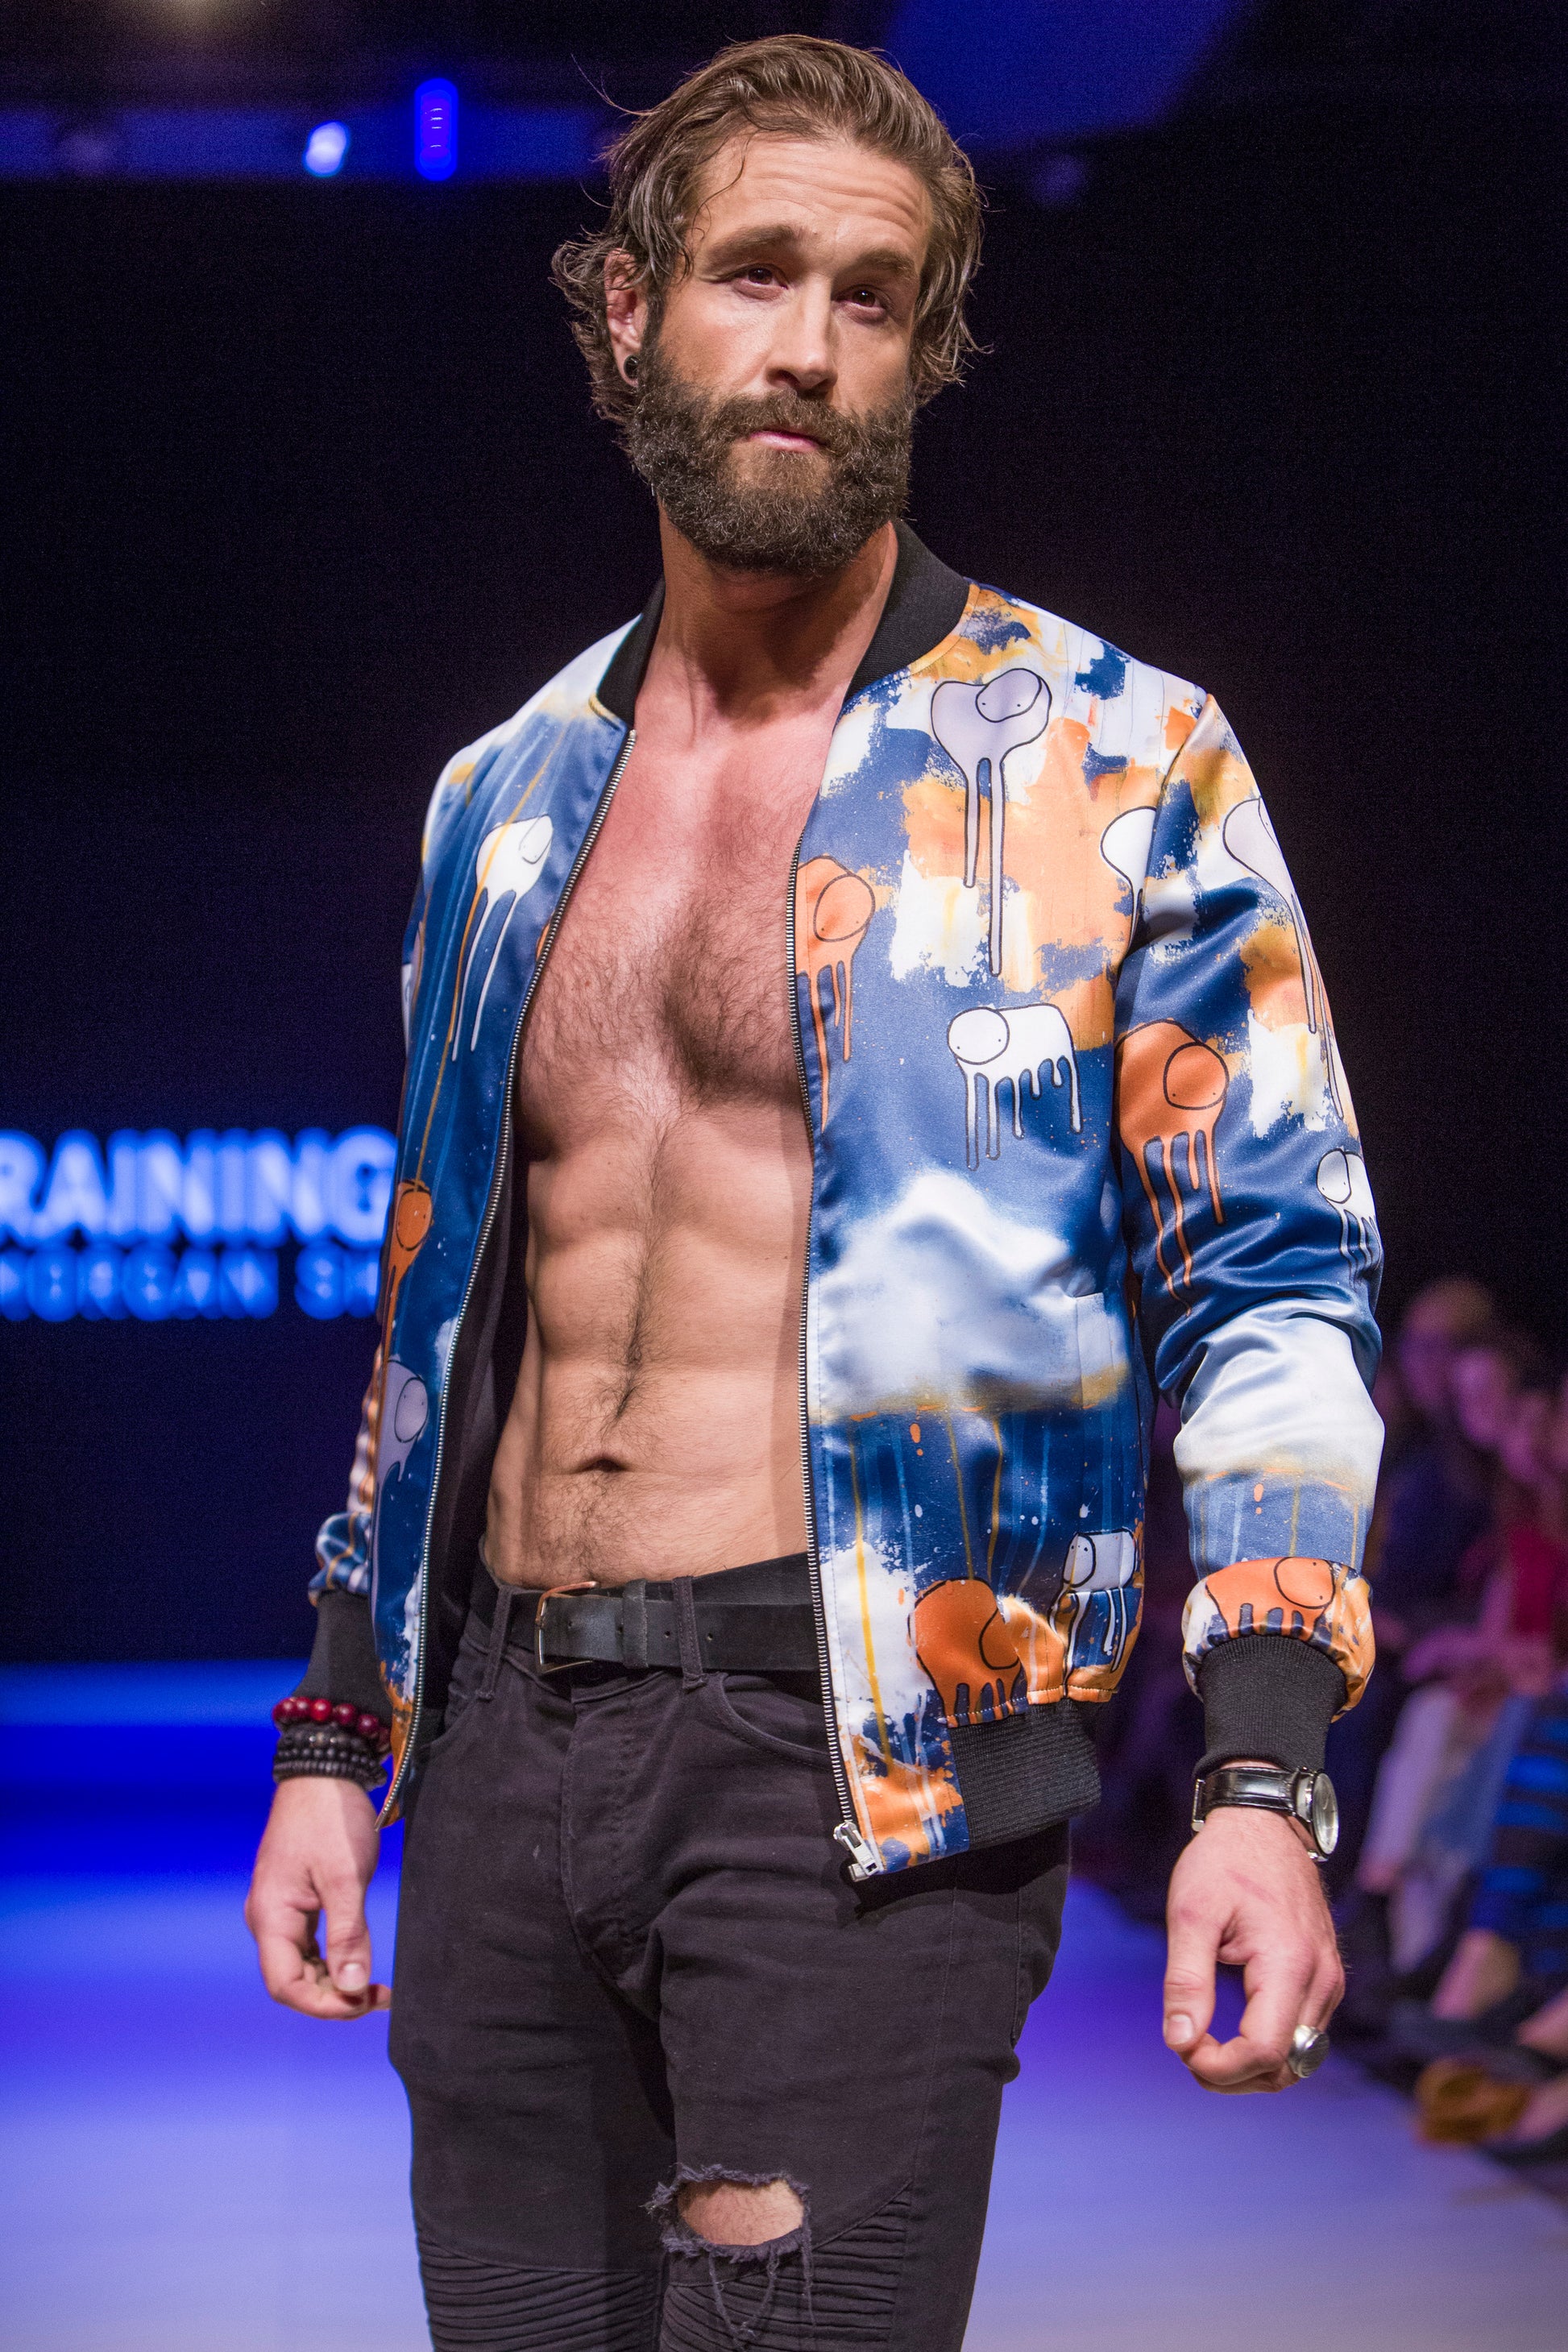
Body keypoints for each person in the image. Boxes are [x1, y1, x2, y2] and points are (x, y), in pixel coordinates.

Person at [244, 38, 1383, 2350]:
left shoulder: (1112, 755)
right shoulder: (505, 798)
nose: (808, 346)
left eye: (873, 299)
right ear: (626, 313)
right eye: (754, 275)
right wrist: (338, 1737)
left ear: (924, 352)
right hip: (498, 1750)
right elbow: (440, 1303)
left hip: (850, 1769)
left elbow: (1270, 1273)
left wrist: (1262, 1775)